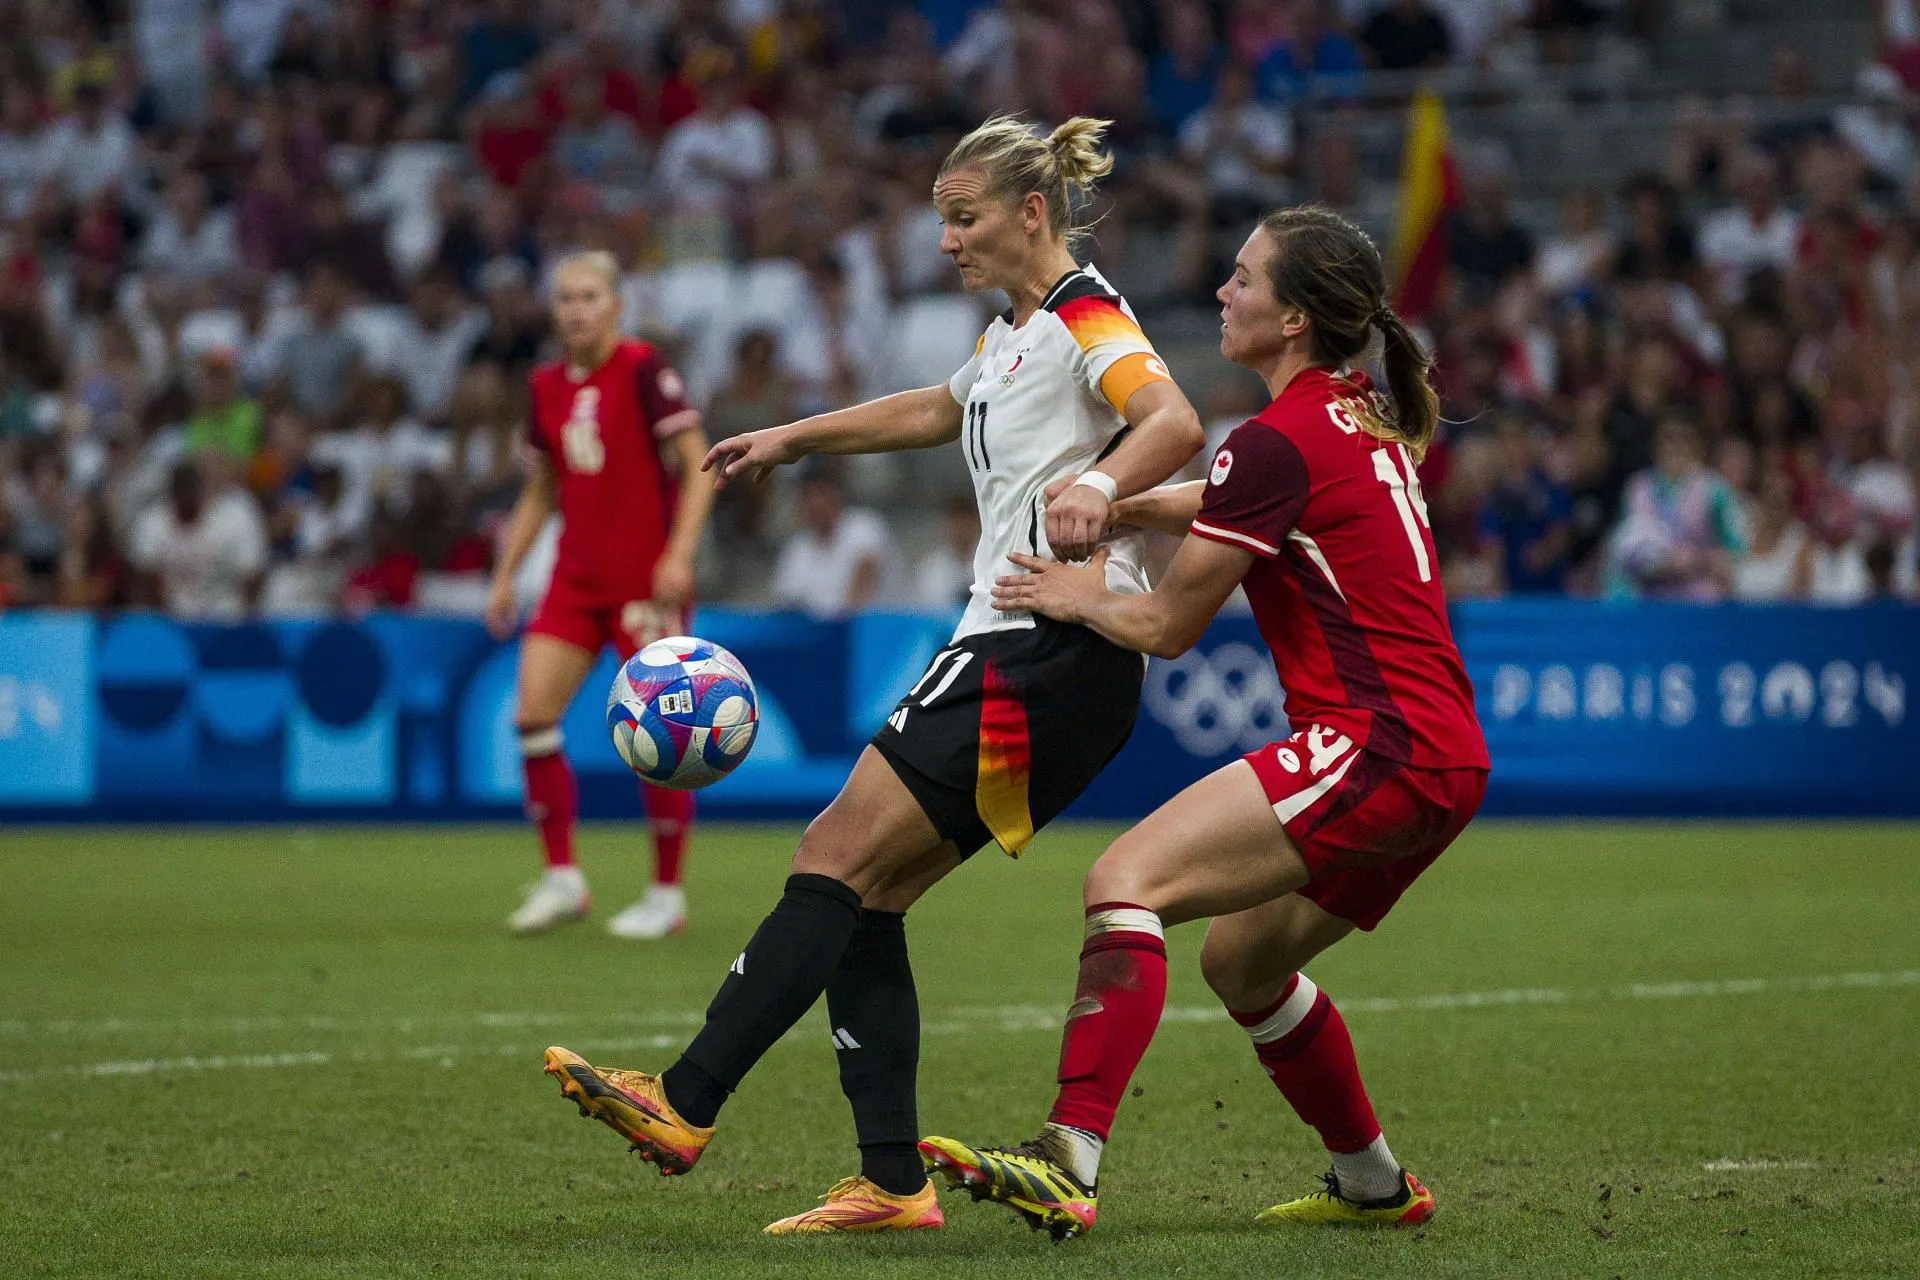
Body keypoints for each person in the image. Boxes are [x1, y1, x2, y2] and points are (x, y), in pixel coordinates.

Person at [540, 115, 1205, 1235]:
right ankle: (894, 1182)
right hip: (1033, 658)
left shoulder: (1088, 309)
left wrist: (1103, 486)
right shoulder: (1014, 334)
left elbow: (1173, 419)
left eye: (964, 216)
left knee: (829, 855)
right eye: (941, 218)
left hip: (1039, 647)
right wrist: (791, 436)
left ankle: (685, 1098)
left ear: (1030, 212)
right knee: (868, 893)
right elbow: (938, 410)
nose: (944, 239)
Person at [916, 206, 1489, 1239]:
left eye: (1243, 278)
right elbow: (1249, 492)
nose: (1222, 293)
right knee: (1241, 961)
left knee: (1123, 879)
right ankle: (1373, 1180)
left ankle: (1065, 1157)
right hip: (1445, 757)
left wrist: (1073, 593)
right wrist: (1133, 508)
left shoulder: (1274, 440)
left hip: (1375, 742)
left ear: (1296, 319)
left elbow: (1169, 626)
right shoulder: (1352, 412)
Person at [485, 251, 716, 940]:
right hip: (575, 578)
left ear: (617, 305)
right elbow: (541, 488)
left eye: (589, 296)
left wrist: (677, 555)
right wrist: (505, 571)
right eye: (564, 298)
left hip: (644, 581)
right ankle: (563, 878)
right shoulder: (546, 384)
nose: (576, 309)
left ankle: (666, 894)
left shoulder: (645, 370)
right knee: (531, 715)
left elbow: (698, 469)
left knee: (661, 737)